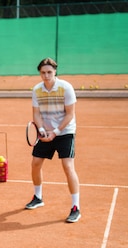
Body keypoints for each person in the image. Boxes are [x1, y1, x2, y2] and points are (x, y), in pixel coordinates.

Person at [25, 57, 81, 223]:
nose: (46, 75)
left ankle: (75, 207)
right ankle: (38, 197)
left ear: (55, 71)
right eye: (43, 72)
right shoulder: (37, 90)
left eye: (49, 72)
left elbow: (70, 114)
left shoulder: (66, 88)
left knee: (67, 166)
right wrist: (42, 130)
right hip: (46, 131)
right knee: (35, 163)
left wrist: (55, 132)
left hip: (65, 132)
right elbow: (36, 113)